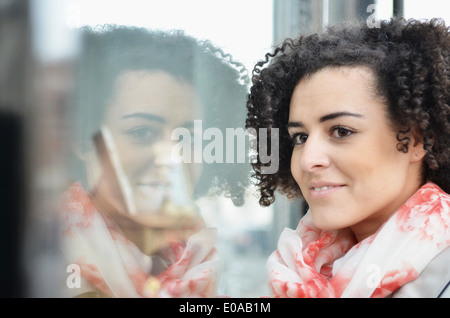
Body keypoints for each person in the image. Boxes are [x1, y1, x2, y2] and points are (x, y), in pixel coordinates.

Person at [246, 17, 450, 297]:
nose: (308, 160)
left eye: (341, 131)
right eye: (300, 137)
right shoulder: (296, 271)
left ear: (417, 140)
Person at [60, 25, 249, 297]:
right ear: (82, 139)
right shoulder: (40, 259)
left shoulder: (197, 257)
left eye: (188, 138)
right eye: (142, 132)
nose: (171, 157)